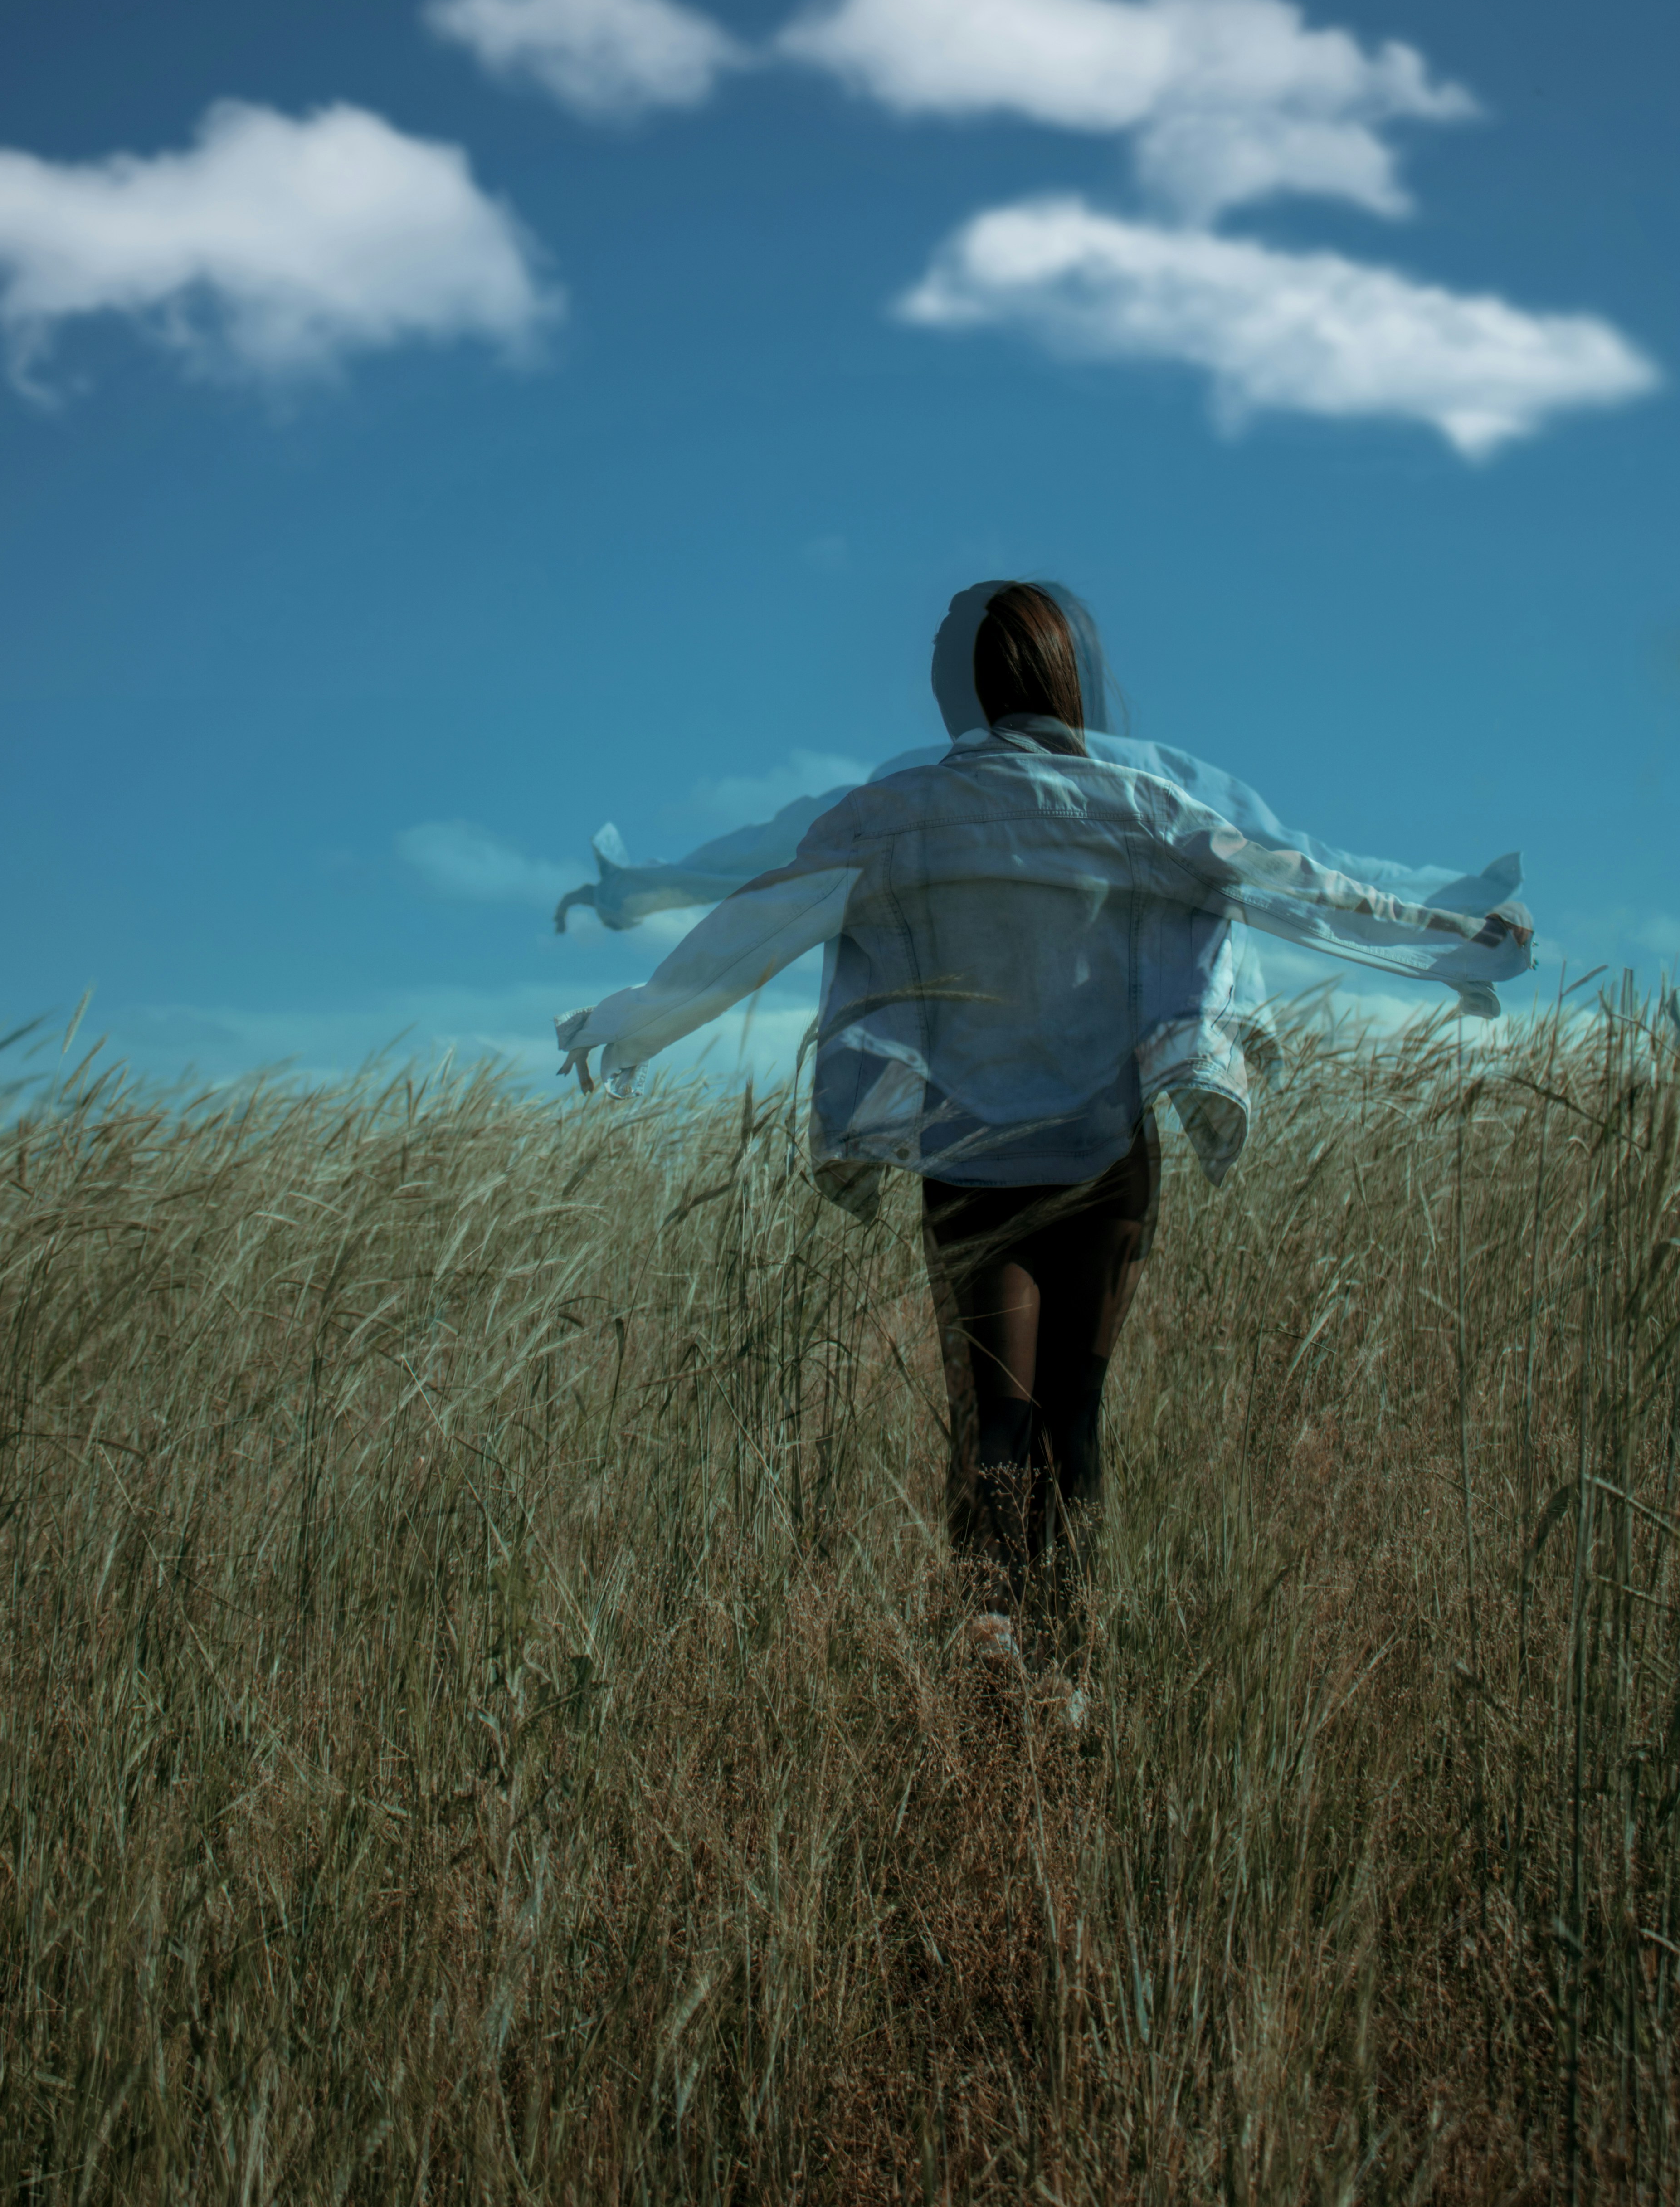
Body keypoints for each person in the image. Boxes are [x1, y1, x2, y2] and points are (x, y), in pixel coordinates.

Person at [552, 581, 1532, 1701]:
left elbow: (757, 916)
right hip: (1105, 1154)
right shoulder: (1135, 803)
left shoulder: (894, 812)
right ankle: (1067, 1680)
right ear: (1064, 677)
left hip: (965, 1164)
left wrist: (624, 1022)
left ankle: (986, 1651)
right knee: (1073, 1418)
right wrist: (1456, 938)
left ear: (966, 683)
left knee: (993, 1422)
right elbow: (1295, 881)